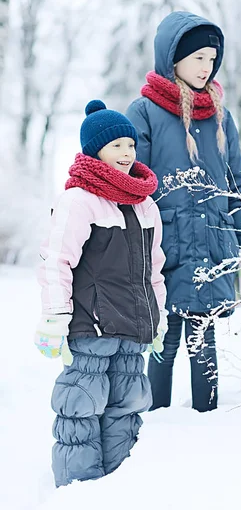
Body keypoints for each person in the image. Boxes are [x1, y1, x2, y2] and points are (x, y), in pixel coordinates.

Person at [126, 11, 241, 413]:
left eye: (212, 58)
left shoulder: (220, 115)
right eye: (198, 57)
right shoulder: (144, 112)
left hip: (213, 243)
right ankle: (156, 421)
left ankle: (208, 424)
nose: (207, 66)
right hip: (164, 245)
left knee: (204, 339)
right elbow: (132, 184)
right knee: (163, 337)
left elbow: (235, 181)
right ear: (173, 59)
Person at [34, 100, 167, 487]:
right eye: (116, 146)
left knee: (126, 408)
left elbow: (154, 271)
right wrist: (53, 318)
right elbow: (56, 261)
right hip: (92, 326)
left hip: (133, 328)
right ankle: (78, 489)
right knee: (81, 407)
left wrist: (156, 319)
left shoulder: (146, 205)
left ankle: (118, 487)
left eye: (131, 145)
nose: (127, 154)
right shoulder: (79, 201)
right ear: (95, 150)